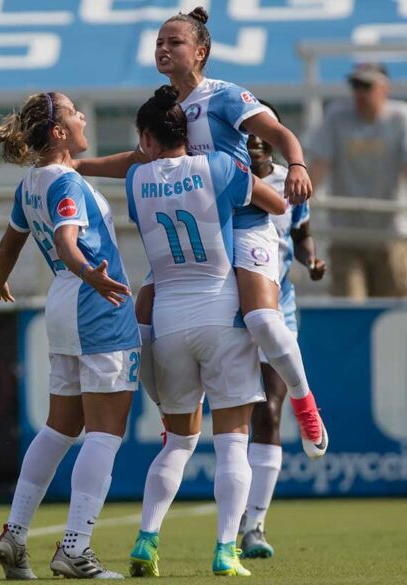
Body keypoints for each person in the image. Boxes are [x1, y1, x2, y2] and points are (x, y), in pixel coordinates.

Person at [77, 6, 328, 461]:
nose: (164, 49)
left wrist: (297, 163)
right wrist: (76, 166)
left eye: (174, 42)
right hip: (200, 236)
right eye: (159, 42)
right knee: (144, 316)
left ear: (201, 50)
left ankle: (305, 403)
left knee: (261, 320)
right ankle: (171, 417)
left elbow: (278, 131)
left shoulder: (225, 96)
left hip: (246, 223)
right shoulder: (167, 108)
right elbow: (137, 159)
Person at [126, 85, 287, 578]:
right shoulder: (220, 167)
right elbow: (276, 207)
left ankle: (147, 540)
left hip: (169, 321)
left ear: (147, 139)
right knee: (233, 442)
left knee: (176, 443)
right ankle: (225, 550)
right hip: (221, 315)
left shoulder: (135, 179)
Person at [0, 91, 141, 580]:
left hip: (63, 304)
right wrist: (89, 273)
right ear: (58, 132)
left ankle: (14, 535)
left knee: (60, 428)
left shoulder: (31, 182)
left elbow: (10, 243)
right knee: (105, 432)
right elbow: (67, 239)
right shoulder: (66, 182)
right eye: (73, 112)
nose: (80, 118)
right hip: (95, 303)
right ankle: (75, 548)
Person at [239, 101, 326, 559]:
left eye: (259, 139)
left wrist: (311, 259)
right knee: (234, 417)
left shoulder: (289, 184)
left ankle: (254, 525)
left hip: (280, 307)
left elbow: (301, 233)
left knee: (269, 411)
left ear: (271, 140)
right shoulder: (227, 176)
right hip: (230, 312)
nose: (253, 145)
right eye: (246, 138)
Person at [308, 62, 407, 299]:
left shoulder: (400, 118)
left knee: (393, 312)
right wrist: (298, 207)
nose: (360, 93)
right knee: (350, 307)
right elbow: (318, 168)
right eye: (356, 86)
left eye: (367, 86)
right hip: (346, 235)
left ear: (385, 88)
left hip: (391, 234)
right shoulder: (337, 117)